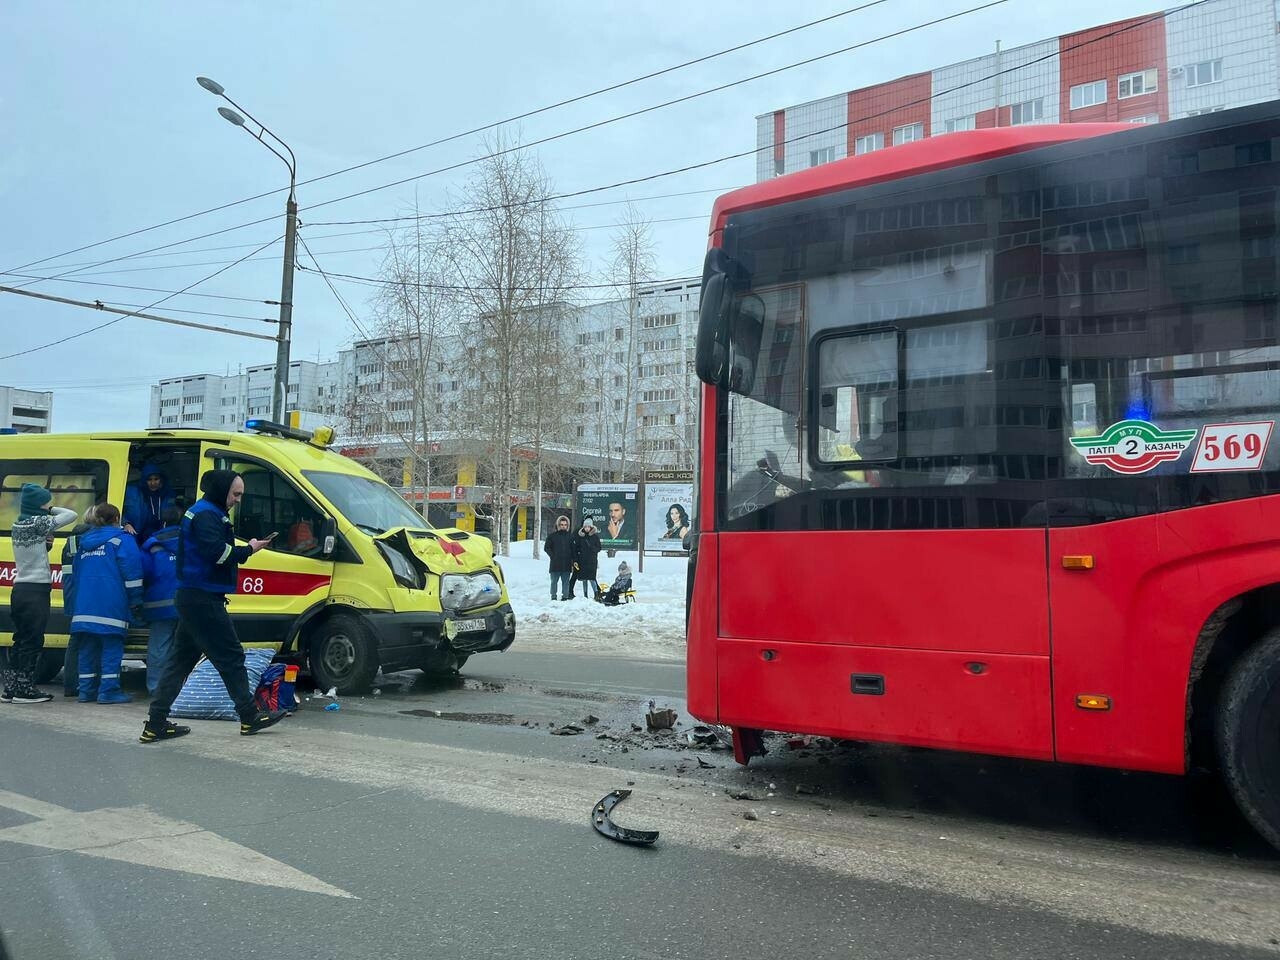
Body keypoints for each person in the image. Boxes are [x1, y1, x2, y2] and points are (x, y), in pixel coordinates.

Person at [139, 469, 286, 743]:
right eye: (236, 493)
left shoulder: (204, 511)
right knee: (231, 656)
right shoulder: (208, 514)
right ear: (222, 490)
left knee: (179, 662)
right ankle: (249, 716)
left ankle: (155, 723)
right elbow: (218, 554)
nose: (238, 500)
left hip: (193, 597)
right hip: (202, 598)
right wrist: (249, 550)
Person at [2, 484, 77, 704]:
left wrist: (46, 546)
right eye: (45, 501)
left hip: (20, 589)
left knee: (20, 639)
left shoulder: (19, 523)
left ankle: (11, 688)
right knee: (33, 640)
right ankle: (25, 691)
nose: (48, 505)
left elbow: (32, 553)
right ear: (38, 505)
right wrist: (50, 509)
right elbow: (71, 515)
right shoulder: (38, 522)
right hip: (36, 590)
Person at [71, 503, 143, 704]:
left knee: (87, 648)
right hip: (111, 603)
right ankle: (108, 691)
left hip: (84, 604)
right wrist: (136, 600)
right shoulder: (122, 540)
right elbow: (133, 573)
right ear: (117, 518)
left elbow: (76, 572)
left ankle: (86, 692)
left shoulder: (84, 542)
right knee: (111, 646)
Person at [59, 505, 101, 698]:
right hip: (85, 595)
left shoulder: (71, 540)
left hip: (71, 594)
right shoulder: (92, 539)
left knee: (75, 640)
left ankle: (71, 684)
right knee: (87, 640)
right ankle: (84, 683)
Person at [140, 504, 182, 696]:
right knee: (185, 648)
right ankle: (182, 689)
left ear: (163, 522)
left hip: (159, 605)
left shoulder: (152, 545)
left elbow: (145, 572)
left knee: (159, 647)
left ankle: (156, 689)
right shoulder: (192, 542)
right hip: (187, 603)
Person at [123, 462, 176, 543]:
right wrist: (125, 523)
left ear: (161, 479)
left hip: (162, 534)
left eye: (156, 479)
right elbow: (121, 510)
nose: (153, 483)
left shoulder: (168, 494)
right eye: (149, 479)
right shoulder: (134, 493)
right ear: (144, 480)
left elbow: (174, 515)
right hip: (138, 534)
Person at [543, 514, 575, 602]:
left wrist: (573, 561)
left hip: (566, 564)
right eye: (561, 525)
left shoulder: (571, 536)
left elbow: (573, 550)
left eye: (565, 525)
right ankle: (553, 596)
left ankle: (565, 597)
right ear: (558, 525)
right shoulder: (552, 536)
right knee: (554, 582)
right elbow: (547, 548)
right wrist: (553, 556)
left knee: (566, 582)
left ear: (567, 526)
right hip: (555, 564)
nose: (563, 526)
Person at [572, 518, 602, 600]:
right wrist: (577, 558)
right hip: (583, 560)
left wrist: (592, 549)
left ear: (591, 527)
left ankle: (596, 594)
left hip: (592, 561)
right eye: (585, 527)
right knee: (584, 579)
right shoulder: (581, 537)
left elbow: (599, 547)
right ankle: (585, 595)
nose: (587, 528)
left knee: (592, 578)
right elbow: (577, 547)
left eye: (589, 527)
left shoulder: (595, 537)